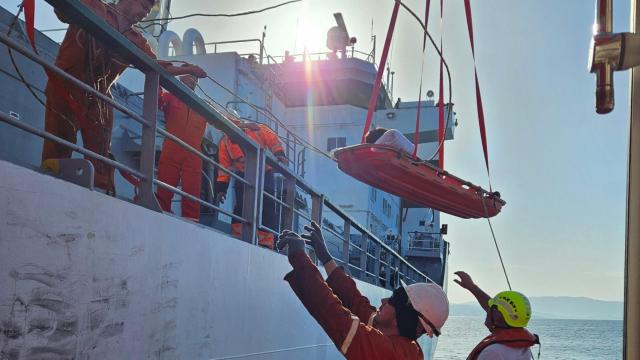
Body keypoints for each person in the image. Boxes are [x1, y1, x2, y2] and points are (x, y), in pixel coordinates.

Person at [41, 0, 207, 194]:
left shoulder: (136, 40)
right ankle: (47, 186)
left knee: (101, 156)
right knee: (58, 144)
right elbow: (63, 10)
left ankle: (98, 196)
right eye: (144, 6)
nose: (145, 13)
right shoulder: (94, 7)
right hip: (65, 85)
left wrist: (187, 69)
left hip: (99, 99)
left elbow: (155, 66)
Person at [277, 221, 449, 360]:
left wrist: (300, 257)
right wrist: (325, 255)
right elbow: (356, 302)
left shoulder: (392, 355)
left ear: (402, 319)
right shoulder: (401, 343)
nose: (382, 301)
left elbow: (336, 318)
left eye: (393, 299)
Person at [214, 117, 287, 248]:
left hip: (265, 174)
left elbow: (272, 140)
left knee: (267, 206)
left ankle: (266, 242)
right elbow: (224, 168)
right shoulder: (224, 143)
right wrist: (221, 188)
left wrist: (279, 153)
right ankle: (238, 235)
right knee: (241, 206)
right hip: (243, 175)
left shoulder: (257, 130)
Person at [155, 73, 207, 221]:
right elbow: (157, 102)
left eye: (195, 79)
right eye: (191, 76)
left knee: (192, 189)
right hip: (172, 147)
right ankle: (161, 213)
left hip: (194, 152)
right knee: (165, 183)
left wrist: (241, 124)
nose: (194, 80)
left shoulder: (202, 104)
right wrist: (157, 81)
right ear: (180, 78)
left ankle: (191, 220)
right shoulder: (170, 97)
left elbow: (221, 119)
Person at [454, 271, 540, 360]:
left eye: (491, 309)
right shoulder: (523, 349)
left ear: (498, 316)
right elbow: (497, 310)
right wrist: (472, 287)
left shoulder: (493, 353)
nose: (487, 310)